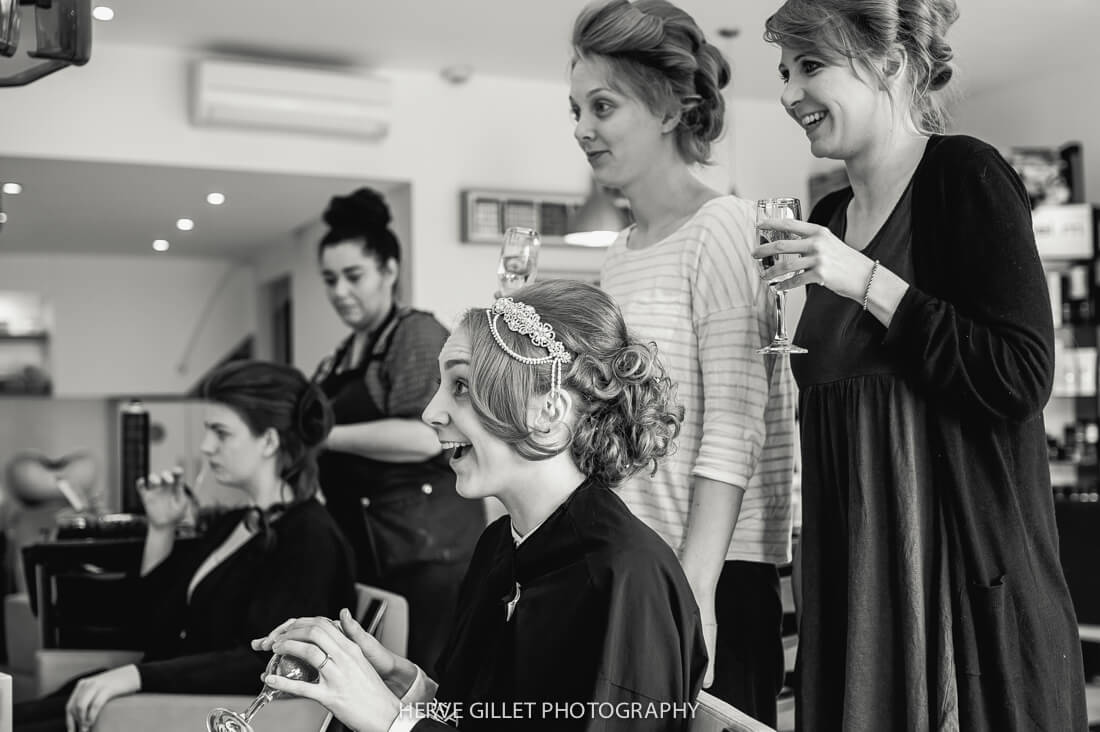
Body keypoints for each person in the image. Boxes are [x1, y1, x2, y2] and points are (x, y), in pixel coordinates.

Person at [758, 1, 1088, 729]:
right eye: (784, 71)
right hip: (851, 596)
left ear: (890, 65)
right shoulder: (833, 214)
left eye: (811, 66)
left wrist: (862, 280)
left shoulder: (965, 177)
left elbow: (1020, 376)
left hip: (959, 606)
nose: (787, 93)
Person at [253, 281, 707, 732]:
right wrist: (404, 684)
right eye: (441, 385)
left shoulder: (625, 580)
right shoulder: (498, 547)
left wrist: (390, 722)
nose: (431, 412)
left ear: (548, 412)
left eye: (462, 386)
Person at [570, 0, 796, 724]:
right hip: (636, 566)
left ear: (669, 107)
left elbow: (738, 421)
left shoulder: (725, 227)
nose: (581, 129)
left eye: (601, 106)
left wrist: (695, 588)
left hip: (712, 576)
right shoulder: (619, 254)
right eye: (574, 109)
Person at [13, 360, 356, 732]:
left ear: (270, 442)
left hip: (188, 711)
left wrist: (137, 678)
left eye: (220, 433)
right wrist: (162, 528)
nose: (206, 447)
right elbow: (154, 626)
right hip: (155, 697)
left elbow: (264, 664)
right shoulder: (234, 523)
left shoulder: (309, 537)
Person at [311, 187, 485, 674]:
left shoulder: (416, 335)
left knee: (423, 689)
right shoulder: (342, 355)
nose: (339, 291)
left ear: (389, 271)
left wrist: (326, 439)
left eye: (353, 276)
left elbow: (429, 434)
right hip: (373, 548)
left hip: (427, 552)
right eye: (329, 279)